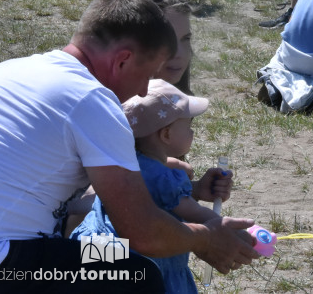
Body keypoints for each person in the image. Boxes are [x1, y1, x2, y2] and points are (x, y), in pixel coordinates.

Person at [0, 0, 258, 293]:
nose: (143, 91)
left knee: (115, 254)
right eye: (147, 75)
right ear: (122, 61)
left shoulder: (12, 71)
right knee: (136, 272)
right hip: (4, 263)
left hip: (11, 252)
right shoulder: (92, 99)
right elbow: (144, 232)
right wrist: (206, 237)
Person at [72, 80, 218, 294]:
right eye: (188, 126)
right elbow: (193, 212)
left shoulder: (123, 162)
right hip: (145, 261)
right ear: (166, 134)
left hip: (97, 247)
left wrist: (196, 189)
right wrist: (225, 226)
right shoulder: (166, 177)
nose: (192, 132)